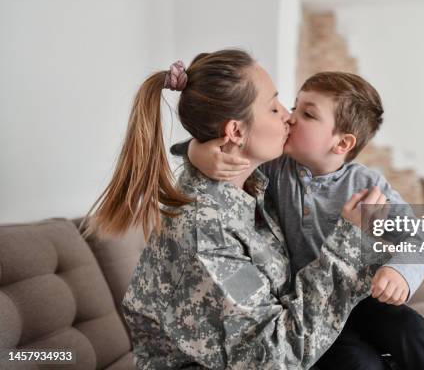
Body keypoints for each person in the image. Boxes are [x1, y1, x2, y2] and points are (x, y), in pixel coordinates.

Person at [85, 50, 397, 369]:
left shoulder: (254, 184)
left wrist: (193, 150)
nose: (289, 117)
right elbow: (275, 358)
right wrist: (349, 245)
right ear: (236, 131)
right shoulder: (203, 230)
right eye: (274, 107)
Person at [180, 72, 424, 370]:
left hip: (364, 299)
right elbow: (216, 145)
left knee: (414, 333)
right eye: (294, 106)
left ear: (341, 144)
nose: (291, 117)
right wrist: (197, 151)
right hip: (311, 310)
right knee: (359, 363)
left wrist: (400, 272)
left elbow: (419, 237)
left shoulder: (368, 188)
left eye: (307, 114)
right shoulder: (275, 168)